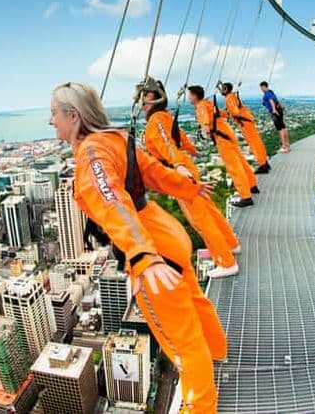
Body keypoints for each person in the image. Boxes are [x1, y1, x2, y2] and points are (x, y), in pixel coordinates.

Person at [50, 82, 226, 413]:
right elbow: (156, 173)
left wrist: (144, 256)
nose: (51, 121)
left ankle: (201, 406)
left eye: (54, 114)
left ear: (72, 116)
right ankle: (216, 352)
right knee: (194, 301)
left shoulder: (92, 154)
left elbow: (113, 202)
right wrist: (189, 187)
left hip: (153, 248)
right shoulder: (117, 138)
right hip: (167, 232)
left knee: (180, 341)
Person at [140, 78, 241, 278]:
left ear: (152, 99)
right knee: (209, 211)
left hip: (179, 172)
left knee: (199, 219)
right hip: (185, 166)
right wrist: (190, 153)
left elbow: (168, 144)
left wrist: (178, 165)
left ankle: (226, 261)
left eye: (144, 100)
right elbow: (180, 138)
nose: (142, 105)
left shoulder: (156, 120)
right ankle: (230, 244)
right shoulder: (165, 117)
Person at [188, 85, 258, 208]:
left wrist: (205, 132)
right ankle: (252, 185)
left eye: (189, 95)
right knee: (240, 161)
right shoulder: (208, 103)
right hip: (228, 134)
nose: (189, 98)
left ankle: (245, 196)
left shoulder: (200, 107)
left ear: (194, 96)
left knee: (233, 167)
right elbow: (223, 115)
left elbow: (205, 125)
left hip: (222, 139)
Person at [220, 82, 271, 174]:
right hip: (247, 121)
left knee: (254, 144)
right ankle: (265, 162)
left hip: (245, 123)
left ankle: (263, 165)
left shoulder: (229, 98)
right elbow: (231, 111)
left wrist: (233, 117)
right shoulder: (231, 96)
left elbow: (235, 112)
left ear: (226, 89)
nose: (221, 91)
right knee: (257, 142)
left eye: (222, 89)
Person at [260, 80, 290, 153]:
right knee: (283, 128)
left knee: (280, 129)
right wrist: (282, 108)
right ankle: (287, 145)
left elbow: (271, 101)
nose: (261, 90)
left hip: (275, 112)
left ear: (264, 87)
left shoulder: (267, 93)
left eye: (261, 88)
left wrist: (273, 110)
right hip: (279, 110)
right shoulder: (271, 92)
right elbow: (276, 101)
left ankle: (284, 147)